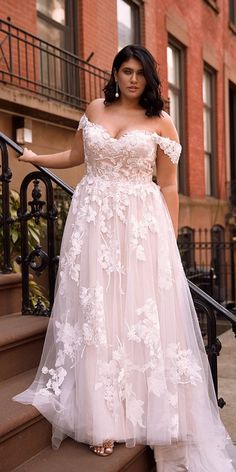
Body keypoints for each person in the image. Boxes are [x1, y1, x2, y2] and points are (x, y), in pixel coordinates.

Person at [13, 45, 235, 471]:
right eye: (125, 70)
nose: (132, 79)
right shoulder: (95, 108)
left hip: (139, 230)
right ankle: (103, 419)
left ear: (151, 79)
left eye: (140, 73)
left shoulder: (162, 122)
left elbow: (169, 187)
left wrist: (168, 240)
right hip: (93, 224)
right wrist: (37, 157)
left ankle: (137, 408)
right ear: (115, 73)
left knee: (134, 314)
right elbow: (76, 156)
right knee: (98, 314)